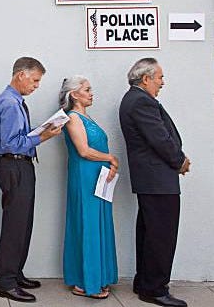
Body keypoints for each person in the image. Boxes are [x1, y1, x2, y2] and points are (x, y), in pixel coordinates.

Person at [0, 57, 61, 303]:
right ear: (21, 75)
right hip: (14, 165)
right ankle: (6, 282)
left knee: (24, 223)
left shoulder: (16, 102)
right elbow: (11, 143)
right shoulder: (9, 103)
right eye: (35, 80)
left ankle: (15, 273)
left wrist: (40, 131)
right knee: (15, 225)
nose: (36, 86)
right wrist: (44, 137)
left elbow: (19, 136)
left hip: (21, 165)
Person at [119, 58, 189, 307]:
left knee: (150, 232)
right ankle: (155, 288)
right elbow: (159, 138)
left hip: (152, 179)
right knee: (161, 235)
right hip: (157, 179)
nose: (162, 82)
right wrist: (179, 160)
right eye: (159, 77)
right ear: (145, 78)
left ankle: (145, 281)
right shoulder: (140, 101)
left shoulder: (135, 99)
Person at [59, 75, 118, 299]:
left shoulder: (87, 117)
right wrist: (111, 158)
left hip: (98, 176)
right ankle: (87, 281)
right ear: (74, 94)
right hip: (85, 177)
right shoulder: (73, 118)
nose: (92, 93)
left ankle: (96, 277)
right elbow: (83, 151)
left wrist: (109, 164)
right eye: (87, 89)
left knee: (97, 223)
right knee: (87, 223)